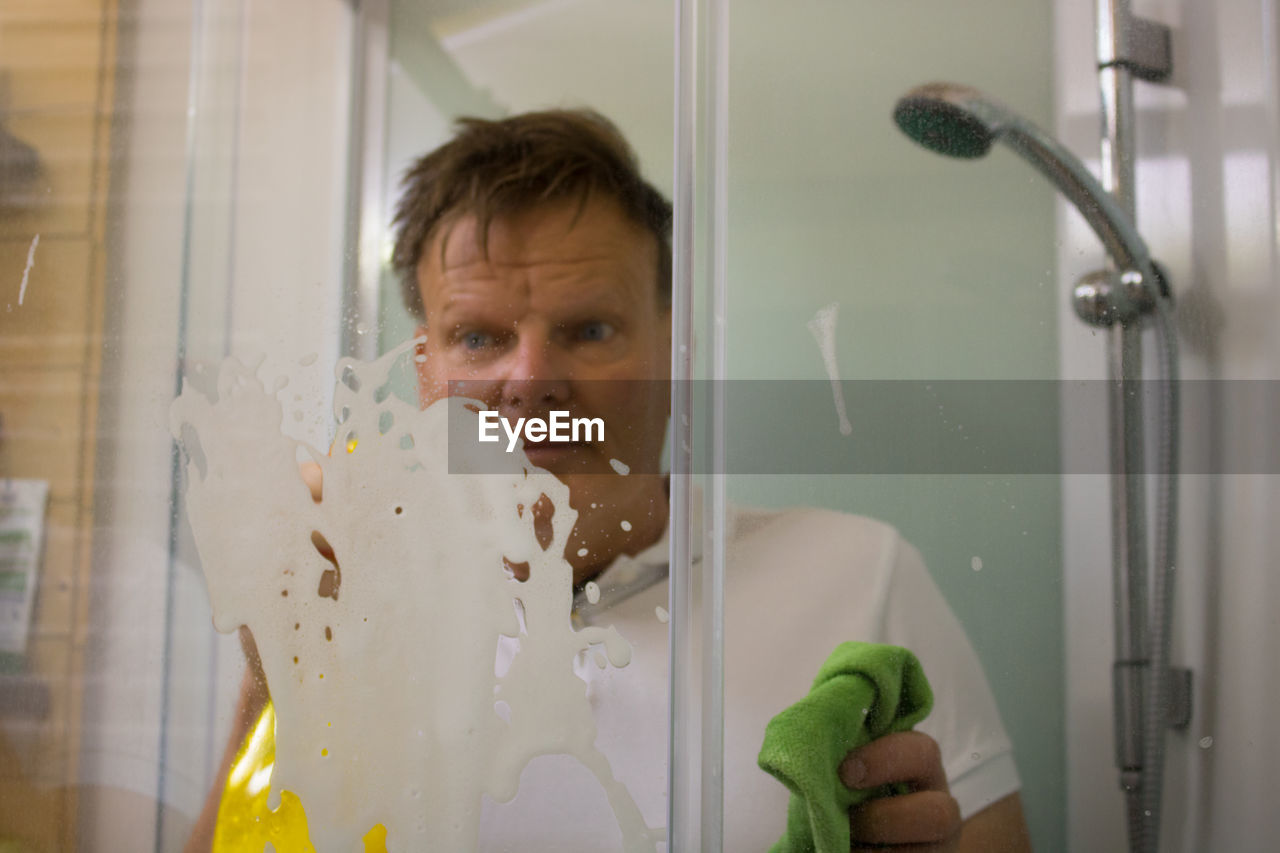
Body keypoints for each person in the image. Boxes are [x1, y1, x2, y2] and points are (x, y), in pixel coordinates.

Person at [189, 109, 1032, 852]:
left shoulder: (859, 576)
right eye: (478, 338)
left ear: (672, 352)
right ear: (425, 375)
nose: (530, 380)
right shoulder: (356, 609)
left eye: (589, 328)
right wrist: (275, 685)